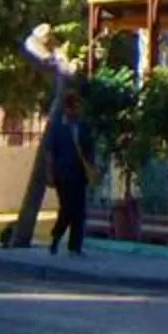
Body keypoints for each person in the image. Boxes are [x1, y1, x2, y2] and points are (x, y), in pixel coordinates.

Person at [44, 90, 94, 256]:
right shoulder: (58, 127)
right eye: (71, 106)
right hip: (63, 174)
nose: (74, 110)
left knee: (79, 210)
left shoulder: (84, 127)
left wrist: (92, 169)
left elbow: (89, 150)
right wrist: (50, 174)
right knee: (67, 208)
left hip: (80, 174)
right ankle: (56, 237)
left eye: (76, 106)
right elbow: (50, 152)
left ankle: (75, 245)